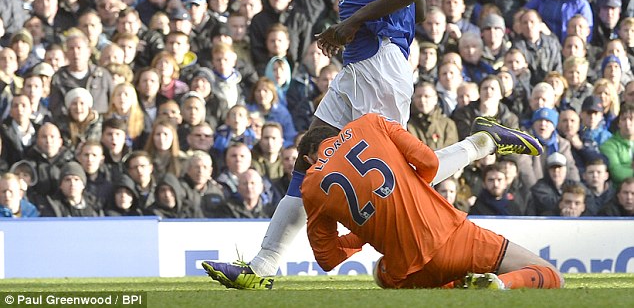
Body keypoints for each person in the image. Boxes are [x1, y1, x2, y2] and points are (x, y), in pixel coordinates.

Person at [202, 0, 427, 286]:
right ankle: (262, 266)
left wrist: (352, 24)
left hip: (378, 65)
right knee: (310, 153)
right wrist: (350, 28)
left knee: (392, 177)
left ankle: (479, 151)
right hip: (361, 65)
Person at [204, 113, 560, 290]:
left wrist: (365, 231)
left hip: (403, 267)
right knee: (551, 275)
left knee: (381, 274)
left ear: (309, 158)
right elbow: (430, 165)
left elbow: (327, 259)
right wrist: (402, 185)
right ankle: (501, 285)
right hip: (452, 235)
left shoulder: (311, 187)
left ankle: (263, 266)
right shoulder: (369, 123)